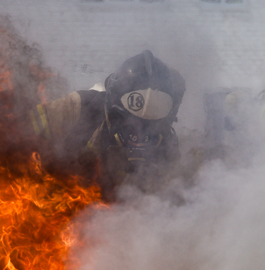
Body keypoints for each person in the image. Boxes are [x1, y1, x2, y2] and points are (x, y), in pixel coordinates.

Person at [29, 50, 186, 200]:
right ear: (112, 107)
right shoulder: (82, 109)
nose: (138, 133)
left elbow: (169, 200)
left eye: (149, 127)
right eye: (130, 123)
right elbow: (22, 132)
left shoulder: (167, 146)